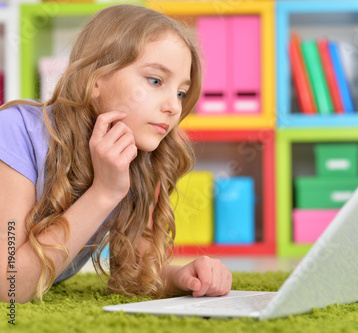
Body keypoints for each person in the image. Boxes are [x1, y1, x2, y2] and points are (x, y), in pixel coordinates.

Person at [0, 4, 232, 304]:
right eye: (155, 81)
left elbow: (134, 267)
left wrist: (179, 277)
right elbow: (10, 286)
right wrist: (104, 193)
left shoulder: (131, 151)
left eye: (181, 92)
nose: (174, 107)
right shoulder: (15, 130)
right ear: (95, 79)